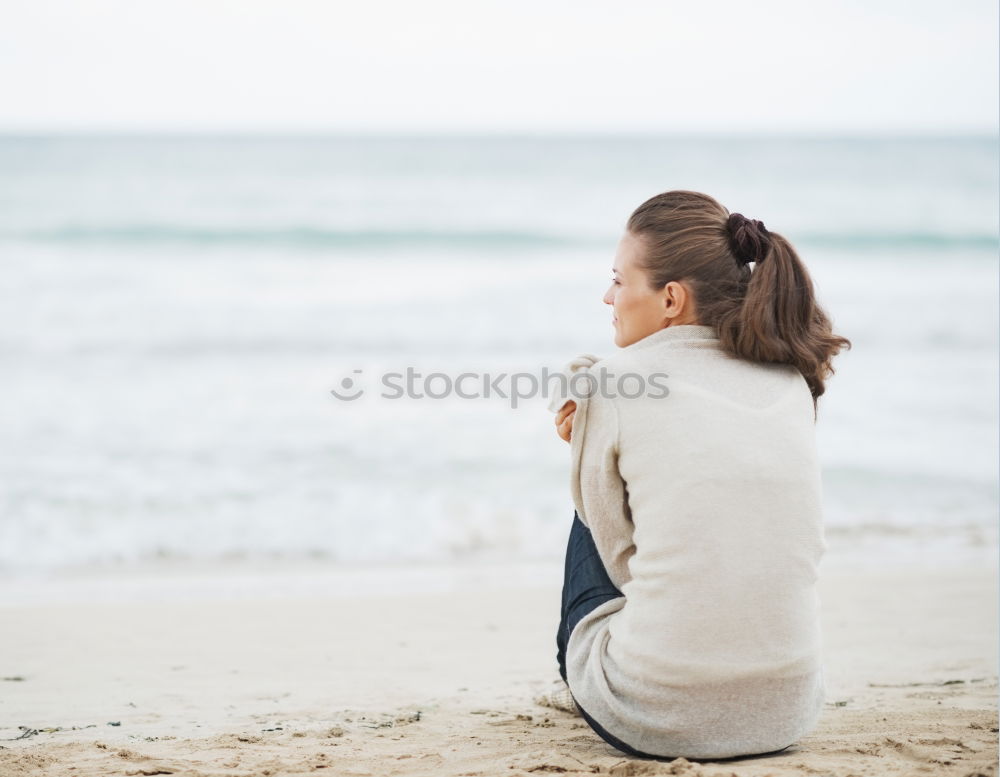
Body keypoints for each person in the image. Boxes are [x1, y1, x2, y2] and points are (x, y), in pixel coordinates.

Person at [540, 190, 851, 760]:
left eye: (618, 279)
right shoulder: (787, 380)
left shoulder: (615, 383)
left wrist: (584, 437)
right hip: (787, 710)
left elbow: (617, 556)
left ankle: (612, 669)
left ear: (671, 299)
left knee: (589, 498)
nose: (607, 295)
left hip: (652, 712)